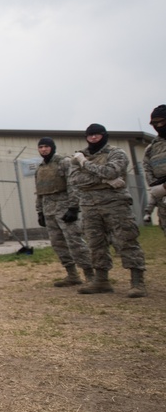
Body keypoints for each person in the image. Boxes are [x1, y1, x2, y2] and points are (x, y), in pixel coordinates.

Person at [70, 124, 147, 297]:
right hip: (89, 206)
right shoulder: (80, 155)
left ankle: (137, 282)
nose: (93, 138)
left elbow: (112, 171)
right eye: (90, 135)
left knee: (126, 239)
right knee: (95, 243)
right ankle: (101, 280)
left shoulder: (116, 153)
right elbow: (75, 179)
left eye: (97, 135)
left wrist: (85, 164)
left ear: (104, 135)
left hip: (115, 204)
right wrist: (104, 180)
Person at [34, 137, 93, 287]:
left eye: (46, 146)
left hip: (64, 208)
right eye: (41, 147)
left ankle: (90, 275)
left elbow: (73, 185)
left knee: (75, 241)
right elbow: (40, 191)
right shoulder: (40, 168)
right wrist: (40, 211)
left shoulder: (64, 162)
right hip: (49, 210)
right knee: (58, 243)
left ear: (52, 147)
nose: (43, 150)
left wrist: (73, 207)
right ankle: (72, 274)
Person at [143, 105, 166, 237]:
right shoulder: (151, 148)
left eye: (162, 121)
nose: (158, 125)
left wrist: (164, 187)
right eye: (155, 123)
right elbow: (147, 169)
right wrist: (158, 188)